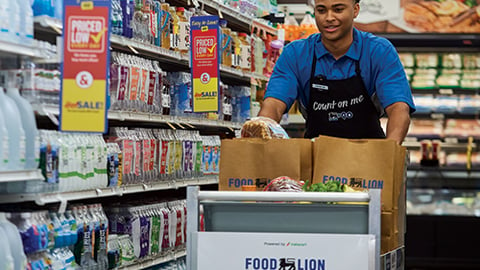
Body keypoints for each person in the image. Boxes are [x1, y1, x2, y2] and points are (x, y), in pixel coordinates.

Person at [254, 0, 415, 144]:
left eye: (338, 9)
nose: (329, 17)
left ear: (356, 10)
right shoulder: (295, 54)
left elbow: (398, 108)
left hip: (369, 158)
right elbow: (273, 105)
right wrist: (260, 136)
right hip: (316, 159)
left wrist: (389, 152)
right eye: (322, 10)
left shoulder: (378, 51)